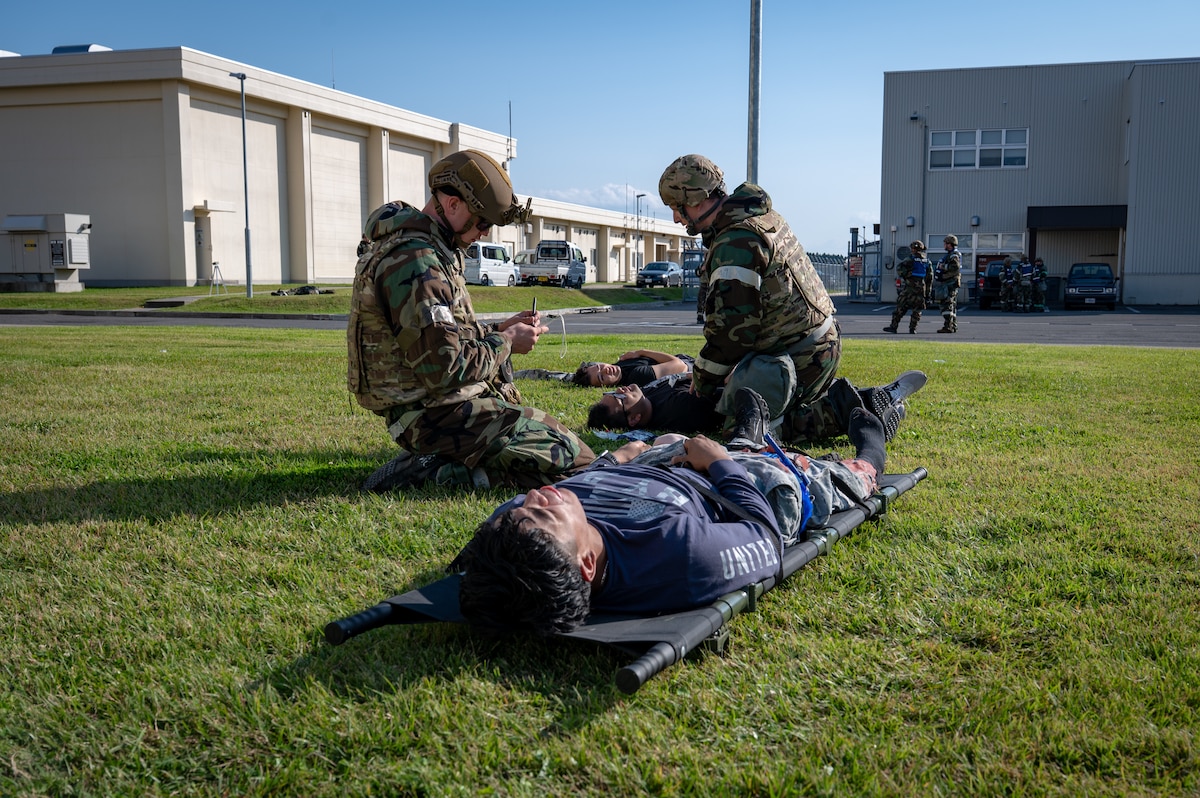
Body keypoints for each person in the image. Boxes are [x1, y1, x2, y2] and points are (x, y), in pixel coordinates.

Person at [456, 391, 891, 635]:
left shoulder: (519, 542)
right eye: (544, 513)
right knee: (799, 477)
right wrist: (718, 462)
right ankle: (869, 454)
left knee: (668, 435)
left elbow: (534, 508)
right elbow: (765, 536)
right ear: (586, 563)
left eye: (521, 508)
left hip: (648, 468)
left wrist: (615, 460)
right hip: (728, 491)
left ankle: (744, 434)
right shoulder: (682, 556)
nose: (537, 496)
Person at [348, 150, 595, 492]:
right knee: (572, 459)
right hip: (431, 416)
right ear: (451, 205)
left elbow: (444, 335)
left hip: (441, 407)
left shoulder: (427, 251)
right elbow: (444, 367)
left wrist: (500, 329)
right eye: (482, 223)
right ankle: (430, 471)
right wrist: (508, 343)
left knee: (568, 453)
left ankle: (449, 462)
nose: (484, 233)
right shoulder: (416, 262)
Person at [658, 154, 903, 443]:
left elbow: (732, 335)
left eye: (678, 207)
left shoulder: (735, 241)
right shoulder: (760, 218)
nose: (676, 217)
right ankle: (864, 400)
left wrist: (702, 379)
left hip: (800, 356)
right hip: (819, 344)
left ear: (696, 198)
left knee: (744, 430)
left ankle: (851, 409)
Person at [513, 350, 694, 388]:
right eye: (601, 378)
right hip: (690, 364)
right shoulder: (638, 376)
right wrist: (641, 352)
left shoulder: (617, 366)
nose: (606, 371)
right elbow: (679, 365)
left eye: (600, 367)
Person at [884, 240, 933, 334]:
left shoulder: (910, 259)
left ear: (914, 249)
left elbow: (899, 269)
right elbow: (929, 280)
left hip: (909, 289)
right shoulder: (927, 262)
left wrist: (907, 275)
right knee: (917, 310)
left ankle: (893, 327)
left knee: (900, 308)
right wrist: (928, 294)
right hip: (920, 290)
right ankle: (913, 329)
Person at [933, 234, 963, 333]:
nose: (944, 245)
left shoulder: (954, 255)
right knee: (951, 305)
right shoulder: (952, 254)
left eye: (945, 243)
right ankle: (953, 325)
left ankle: (948, 326)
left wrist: (943, 267)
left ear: (950, 244)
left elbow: (955, 267)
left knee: (947, 305)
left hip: (950, 283)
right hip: (950, 283)